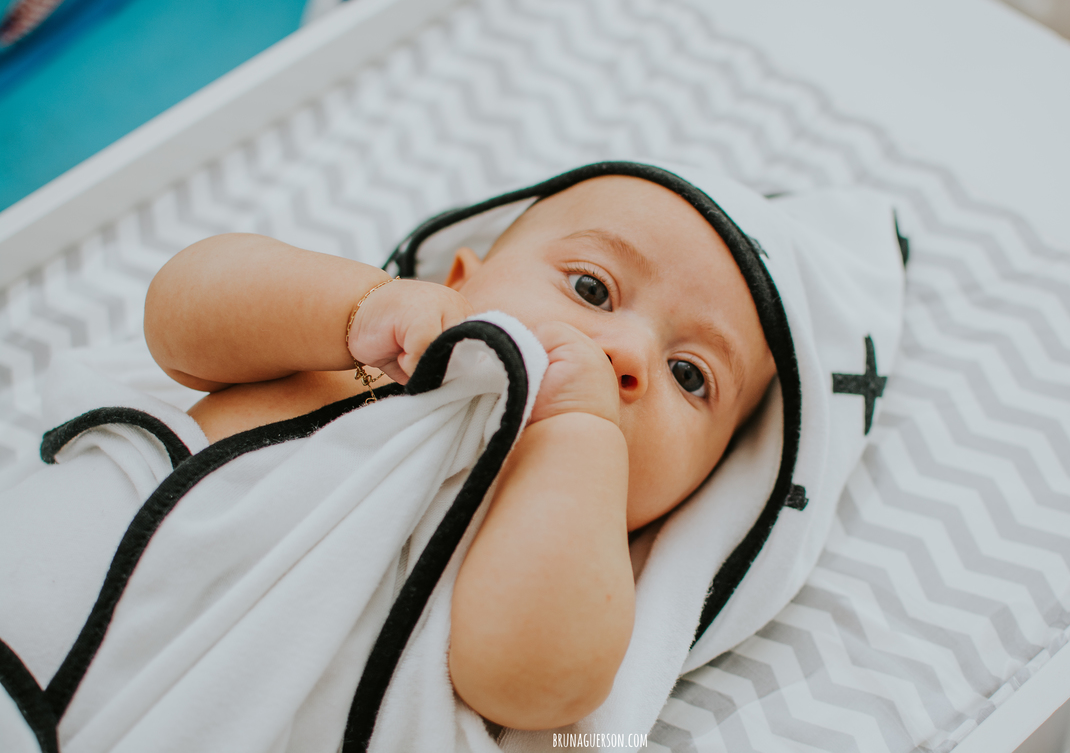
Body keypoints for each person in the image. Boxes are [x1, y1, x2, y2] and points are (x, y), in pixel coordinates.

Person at [143, 173, 777, 732]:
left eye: (690, 375)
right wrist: (357, 308)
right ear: (457, 282)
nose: (627, 354)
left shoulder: (584, 568)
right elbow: (176, 315)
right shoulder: (353, 365)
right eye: (591, 287)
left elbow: (531, 687)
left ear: (702, 483)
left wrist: (577, 433)